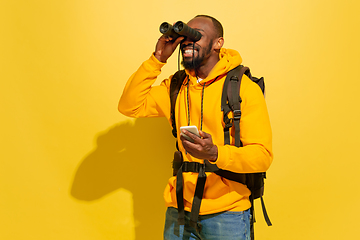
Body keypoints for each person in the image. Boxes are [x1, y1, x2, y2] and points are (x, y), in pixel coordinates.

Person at [118, 15, 273, 240]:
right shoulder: (176, 86)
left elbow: (262, 156)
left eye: (197, 35)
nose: (188, 41)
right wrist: (158, 59)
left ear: (218, 43)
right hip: (179, 209)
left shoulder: (243, 89)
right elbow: (129, 106)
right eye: (186, 35)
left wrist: (215, 153)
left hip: (227, 213)